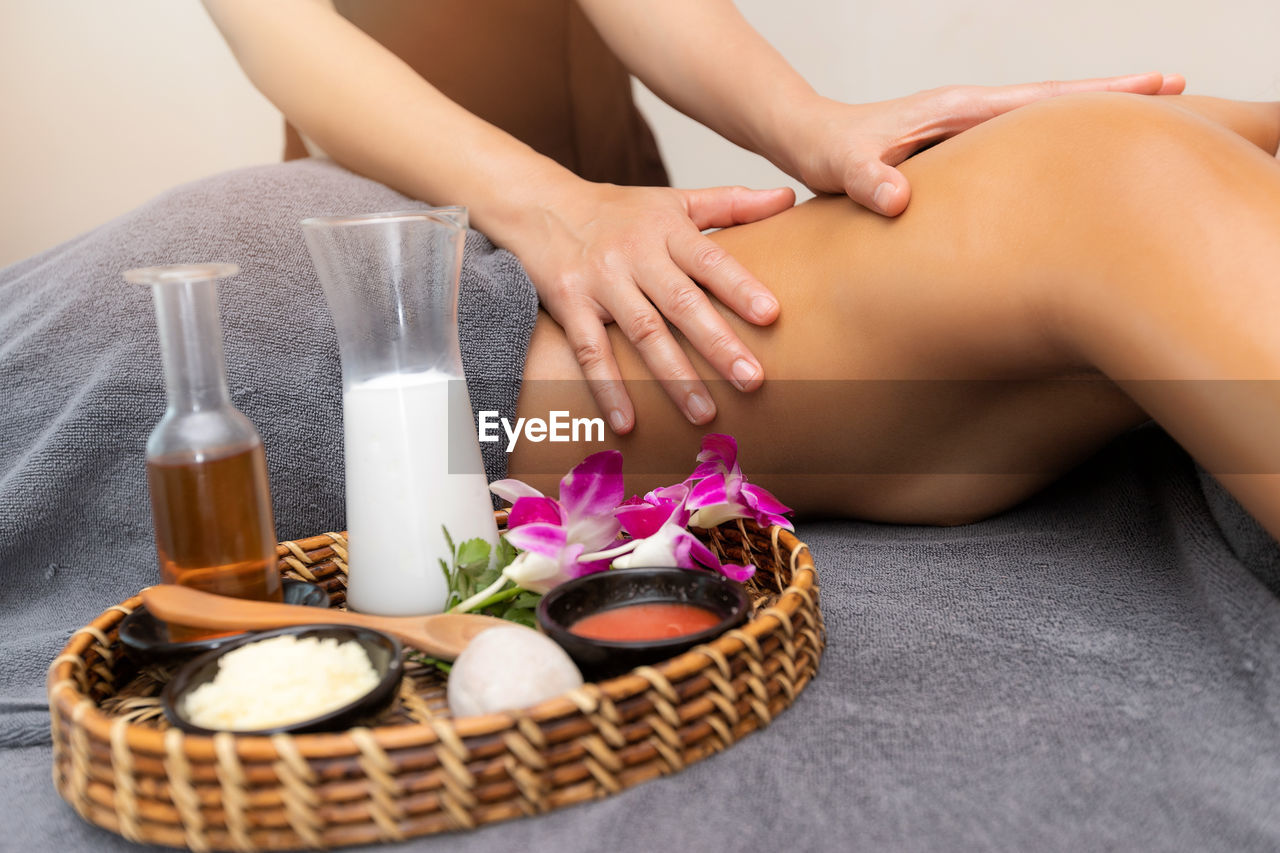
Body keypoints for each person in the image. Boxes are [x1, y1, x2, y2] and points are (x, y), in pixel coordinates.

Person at [202, 0, 1183, 434]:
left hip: (604, 193)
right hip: (401, 225)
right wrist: (548, 209)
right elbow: (275, 26)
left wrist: (806, 124)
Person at [508, 91, 1280, 543]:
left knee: (1160, 149)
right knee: (1111, 184)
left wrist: (809, 120)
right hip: (433, 327)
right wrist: (552, 207)